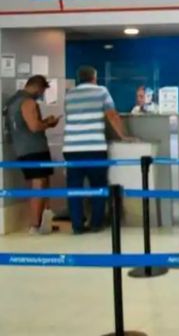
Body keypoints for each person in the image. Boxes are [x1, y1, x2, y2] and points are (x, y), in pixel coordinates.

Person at [63, 66, 131, 234]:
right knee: (99, 185)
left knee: (74, 188)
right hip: (94, 147)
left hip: (71, 147)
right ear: (94, 77)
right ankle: (96, 223)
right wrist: (123, 136)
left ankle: (77, 225)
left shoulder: (69, 94)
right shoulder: (102, 91)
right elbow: (112, 115)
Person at [5, 75, 59, 234]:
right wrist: (49, 123)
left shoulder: (12, 101)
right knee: (39, 185)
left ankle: (43, 222)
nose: (41, 94)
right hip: (34, 149)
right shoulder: (28, 102)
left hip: (22, 149)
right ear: (37, 87)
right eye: (42, 90)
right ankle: (35, 224)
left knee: (41, 184)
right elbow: (34, 126)